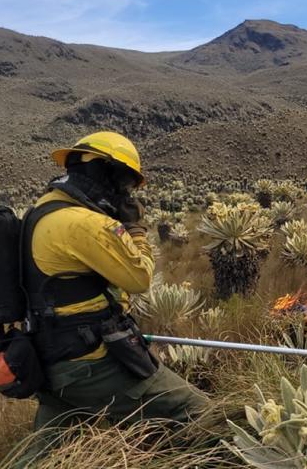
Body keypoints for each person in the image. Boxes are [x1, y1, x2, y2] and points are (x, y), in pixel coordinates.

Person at [26, 131, 208, 432]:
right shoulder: (86, 223)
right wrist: (134, 227)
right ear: (104, 171)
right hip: (91, 363)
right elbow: (140, 278)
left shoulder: (40, 212)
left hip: (52, 360)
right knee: (201, 413)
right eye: (125, 183)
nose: (126, 194)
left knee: (48, 447)